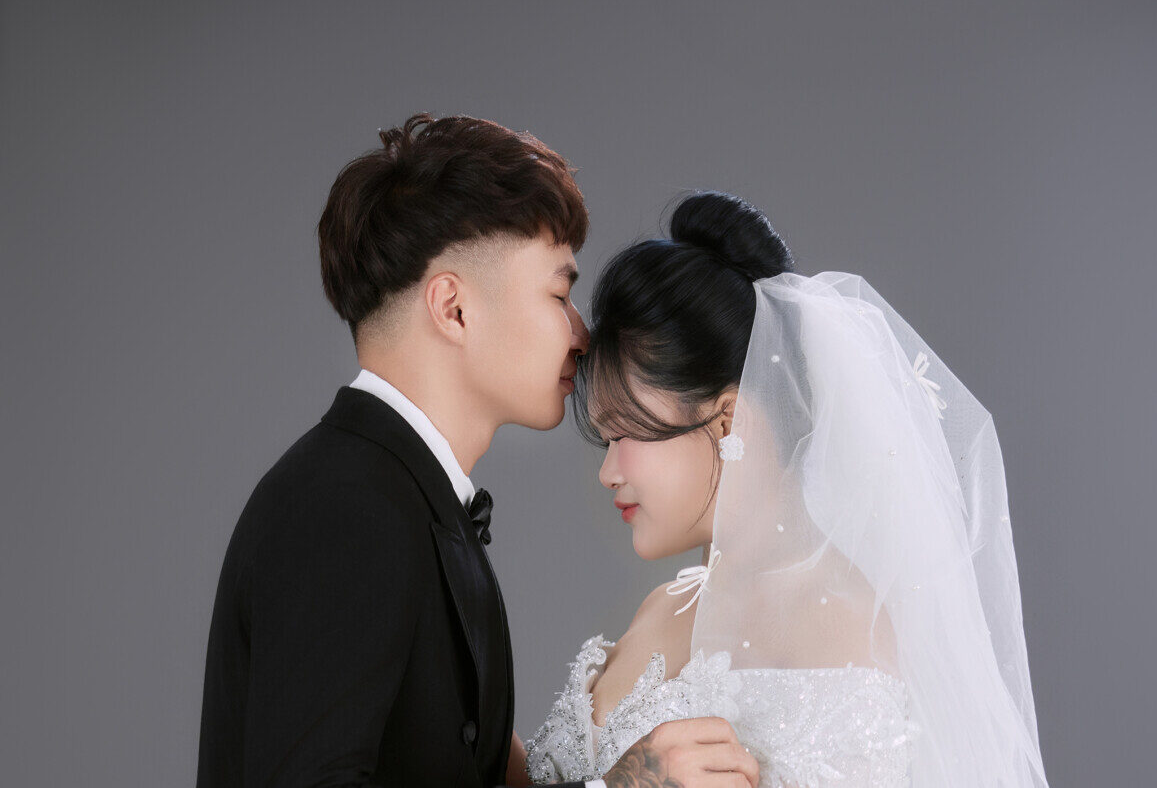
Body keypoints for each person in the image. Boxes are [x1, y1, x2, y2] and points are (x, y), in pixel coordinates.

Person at [195, 116, 759, 788]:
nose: (581, 333)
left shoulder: (409, 501)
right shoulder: (341, 506)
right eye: (558, 293)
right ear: (454, 308)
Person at [524, 191, 1050, 787]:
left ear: (728, 421)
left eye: (627, 432)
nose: (608, 472)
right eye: (606, 440)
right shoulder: (663, 606)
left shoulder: (853, 631)